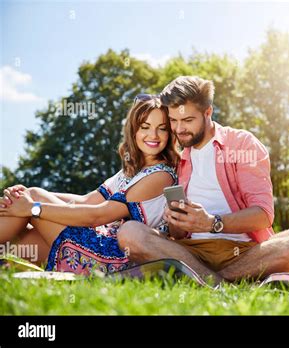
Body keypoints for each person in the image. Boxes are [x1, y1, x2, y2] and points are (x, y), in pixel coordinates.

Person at [117, 76, 289, 284]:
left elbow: (263, 215)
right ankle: (221, 282)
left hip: (244, 253)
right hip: (190, 253)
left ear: (208, 112)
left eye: (187, 121)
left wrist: (212, 223)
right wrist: (177, 220)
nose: (179, 129)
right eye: (173, 121)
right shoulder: (177, 158)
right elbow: (178, 234)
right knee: (130, 232)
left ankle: (208, 281)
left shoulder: (242, 144)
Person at [0, 95, 179, 274]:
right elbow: (87, 201)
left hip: (113, 259)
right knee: (23, 224)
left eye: (161, 129)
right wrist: (26, 196)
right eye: (145, 127)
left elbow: (97, 216)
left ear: (169, 134)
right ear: (133, 131)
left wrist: (33, 207)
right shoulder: (131, 171)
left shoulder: (161, 175)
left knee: (33, 200)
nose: (153, 135)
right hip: (98, 246)